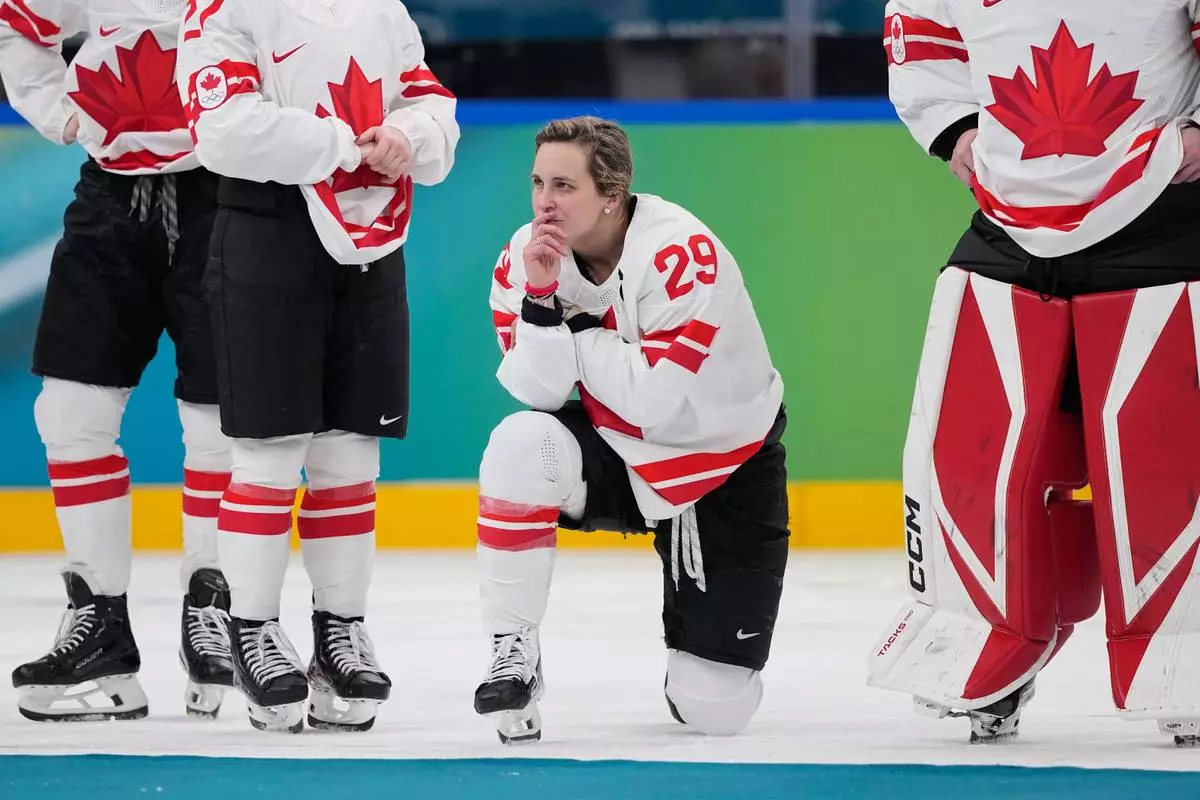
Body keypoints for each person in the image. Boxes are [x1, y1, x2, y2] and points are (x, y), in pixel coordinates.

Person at [870, 0, 1200, 746]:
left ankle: (1182, 650)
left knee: (1165, 454)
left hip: (1165, 212)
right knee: (968, 444)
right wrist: (953, 128)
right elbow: (920, 33)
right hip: (1008, 219)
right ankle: (988, 638)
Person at [176, 0, 458, 733]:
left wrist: (406, 134)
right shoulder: (225, 11)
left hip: (370, 241)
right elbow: (224, 128)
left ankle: (340, 630)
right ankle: (255, 628)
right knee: (267, 452)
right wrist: (349, 144)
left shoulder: (380, 8)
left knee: (350, 452)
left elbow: (428, 99)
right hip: (268, 237)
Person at [473, 116, 788, 744]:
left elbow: (652, 401)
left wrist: (574, 337)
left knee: (714, 709)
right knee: (518, 442)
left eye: (563, 185)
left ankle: (694, 663)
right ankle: (513, 653)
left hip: (721, 463)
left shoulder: (680, 254)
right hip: (613, 447)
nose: (543, 202)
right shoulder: (527, 257)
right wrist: (541, 301)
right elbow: (538, 391)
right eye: (538, 182)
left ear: (611, 196)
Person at [1, 0, 234, 722]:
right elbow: (19, 24)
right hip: (109, 193)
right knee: (70, 412)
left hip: (230, 192)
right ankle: (98, 619)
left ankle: (220, 610)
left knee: (222, 418)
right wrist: (59, 113)